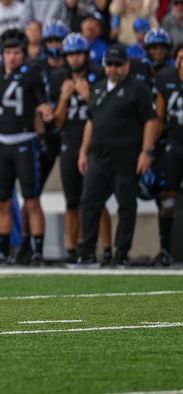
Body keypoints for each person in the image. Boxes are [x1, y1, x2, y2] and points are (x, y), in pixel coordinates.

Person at [77, 44, 158, 267]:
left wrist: (146, 151)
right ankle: (88, 251)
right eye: (109, 65)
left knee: (126, 206)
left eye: (117, 65)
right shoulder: (99, 87)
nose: (113, 69)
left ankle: (121, 251)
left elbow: (151, 120)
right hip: (99, 158)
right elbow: (91, 121)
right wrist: (84, 151)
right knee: (89, 202)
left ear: (127, 65)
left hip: (126, 158)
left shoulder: (138, 88)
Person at [0, 29, 54, 265]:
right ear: (1, 54)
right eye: (8, 52)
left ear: (23, 54)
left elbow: (43, 102)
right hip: (3, 144)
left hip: (25, 140)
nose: (12, 57)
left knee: (31, 199)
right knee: (1, 201)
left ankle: (37, 252)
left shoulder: (31, 73)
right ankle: (4, 252)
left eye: (16, 52)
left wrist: (45, 110)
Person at [52, 33, 110, 266]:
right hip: (69, 142)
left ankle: (106, 250)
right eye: (70, 54)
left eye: (78, 53)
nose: (74, 58)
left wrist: (88, 96)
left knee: (97, 200)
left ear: (86, 55)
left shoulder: (97, 76)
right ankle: (72, 250)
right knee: (72, 201)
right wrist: (64, 99)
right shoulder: (60, 78)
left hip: (95, 143)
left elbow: (105, 114)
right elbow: (57, 122)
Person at [153, 54, 183, 266]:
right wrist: (147, 149)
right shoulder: (166, 79)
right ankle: (165, 249)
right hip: (175, 142)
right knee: (168, 196)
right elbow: (159, 118)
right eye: (181, 57)